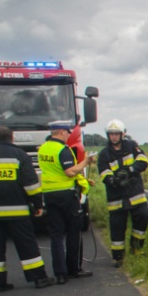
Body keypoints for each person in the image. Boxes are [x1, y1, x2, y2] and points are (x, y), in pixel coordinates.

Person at [0, 126, 56, 292]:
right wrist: (38, 205)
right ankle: (39, 279)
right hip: (18, 211)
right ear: (12, 137)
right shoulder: (20, 155)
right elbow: (32, 186)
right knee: (27, 246)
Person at [38, 119, 95, 284]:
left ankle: (60, 274)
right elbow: (69, 172)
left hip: (49, 194)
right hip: (66, 196)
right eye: (68, 132)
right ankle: (73, 269)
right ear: (62, 132)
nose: (69, 135)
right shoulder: (62, 150)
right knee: (73, 231)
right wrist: (86, 162)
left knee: (56, 234)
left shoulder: (43, 148)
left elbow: (54, 171)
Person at [96, 119, 148, 268]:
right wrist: (114, 180)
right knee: (117, 226)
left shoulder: (132, 146)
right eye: (111, 134)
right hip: (116, 197)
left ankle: (136, 249)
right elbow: (103, 173)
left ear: (122, 134)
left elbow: (143, 161)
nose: (113, 137)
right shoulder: (104, 154)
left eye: (116, 134)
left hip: (135, 193)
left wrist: (130, 170)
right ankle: (118, 257)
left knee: (143, 217)